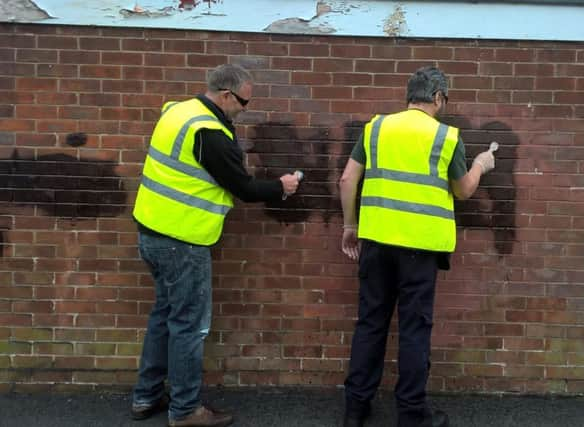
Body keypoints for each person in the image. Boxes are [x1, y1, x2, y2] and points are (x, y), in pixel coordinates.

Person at [130, 64, 301, 427]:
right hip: (182, 240)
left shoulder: (177, 110)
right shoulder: (209, 134)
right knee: (189, 326)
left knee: (165, 314)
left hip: (150, 231)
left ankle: (146, 397)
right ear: (226, 95)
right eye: (243, 102)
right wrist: (281, 187)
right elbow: (243, 188)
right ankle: (186, 410)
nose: (244, 108)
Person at [339, 66, 495, 427]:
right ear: (438, 97)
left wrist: (350, 226)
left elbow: (348, 179)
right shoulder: (446, 137)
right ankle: (411, 414)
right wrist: (481, 165)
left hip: (376, 242)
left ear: (409, 97)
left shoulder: (375, 128)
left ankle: (355, 409)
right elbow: (463, 190)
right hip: (420, 249)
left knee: (370, 323)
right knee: (414, 329)